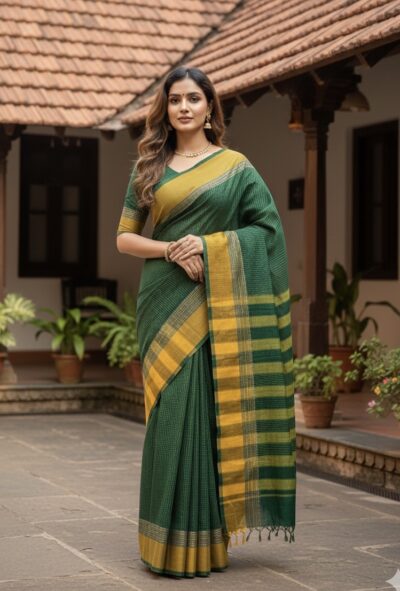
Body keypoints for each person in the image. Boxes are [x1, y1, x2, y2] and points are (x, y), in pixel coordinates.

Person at [116, 65, 296, 579]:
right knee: (170, 415)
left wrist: (210, 246)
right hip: (163, 298)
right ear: (166, 109)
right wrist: (173, 248)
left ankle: (202, 544)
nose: (184, 107)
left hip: (214, 297)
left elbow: (267, 231)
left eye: (193, 98)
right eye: (175, 99)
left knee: (204, 414)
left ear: (210, 108)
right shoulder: (149, 167)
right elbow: (124, 238)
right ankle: (162, 544)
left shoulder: (236, 168)